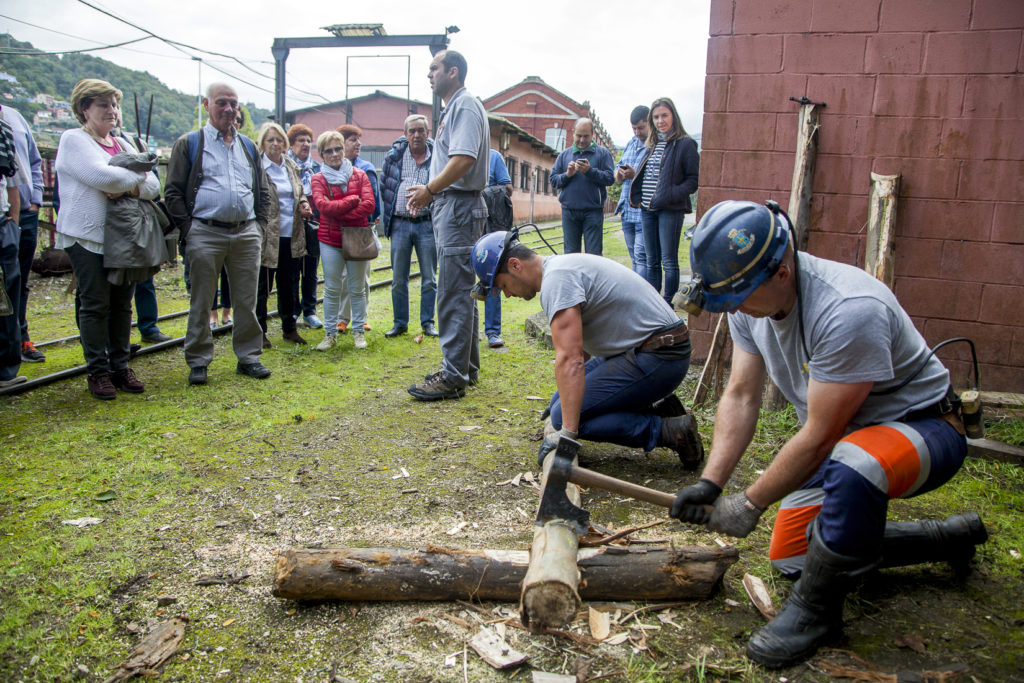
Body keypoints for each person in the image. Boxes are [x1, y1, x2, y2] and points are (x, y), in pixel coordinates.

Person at [670, 200, 986, 668]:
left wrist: (750, 503)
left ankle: (816, 614)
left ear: (781, 272)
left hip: (926, 430)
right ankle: (945, 538)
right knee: (793, 556)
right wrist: (712, 484)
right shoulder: (744, 298)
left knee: (856, 463)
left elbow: (820, 436)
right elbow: (739, 395)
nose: (732, 308)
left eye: (737, 297)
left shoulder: (847, 309)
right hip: (847, 445)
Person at [470, 229, 703, 465]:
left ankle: (670, 430)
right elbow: (581, 350)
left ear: (515, 265)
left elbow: (572, 359)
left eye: (502, 285)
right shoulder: (560, 269)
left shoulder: (557, 281)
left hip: (662, 356)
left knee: (564, 417)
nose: (507, 295)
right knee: (558, 403)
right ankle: (660, 409)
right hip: (648, 349)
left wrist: (568, 434)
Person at [54, 78, 159, 399]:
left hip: (122, 238)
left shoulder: (123, 144)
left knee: (121, 305)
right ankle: (97, 371)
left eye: (114, 104)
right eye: (103, 105)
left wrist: (127, 185)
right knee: (95, 303)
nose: (112, 111)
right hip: (86, 236)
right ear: (84, 109)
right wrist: (132, 180)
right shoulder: (74, 140)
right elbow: (101, 176)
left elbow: (154, 184)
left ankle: (120, 365)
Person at [165, 82, 273, 386]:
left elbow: (262, 191)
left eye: (233, 104)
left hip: (246, 232)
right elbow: (172, 191)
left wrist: (259, 227)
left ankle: (249, 357)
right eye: (221, 102)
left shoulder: (248, 146)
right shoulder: (190, 143)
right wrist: (190, 228)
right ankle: (198, 360)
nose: (228, 109)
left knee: (246, 299)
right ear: (206, 104)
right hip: (205, 231)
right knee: (201, 300)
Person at [406, 49, 490, 401]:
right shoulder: (455, 107)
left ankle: (452, 376)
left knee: (453, 292)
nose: (429, 73)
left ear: (453, 72)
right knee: (461, 291)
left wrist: (429, 189)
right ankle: (465, 368)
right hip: (454, 206)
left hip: (458, 206)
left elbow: (464, 158)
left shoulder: (465, 104)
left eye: (434, 67)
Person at [628, 97, 699, 304]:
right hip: (647, 209)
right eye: (656, 117)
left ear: (673, 117)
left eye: (664, 115)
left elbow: (693, 181)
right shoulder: (652, 144)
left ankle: (667, 302)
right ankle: (653, 302)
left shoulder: (685, 144)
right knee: (651, 261)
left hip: (670, 209)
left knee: (669, 261)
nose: (660, 121)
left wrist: (671, 195)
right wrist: (640, 198)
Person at [310, 130, 375, 351]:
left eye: (338, 148)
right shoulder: (317, 179)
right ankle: (330, 334)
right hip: (330, 240)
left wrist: (339, 210)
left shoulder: (360, 175)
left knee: (357, 288)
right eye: (329, 151)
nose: (335, 154)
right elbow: (322, 207)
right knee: (332, 289)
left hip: (357, 238)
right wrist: (351, 201)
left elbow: (369, 205)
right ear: (321, 154)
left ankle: (358, 331)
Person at [254, 122, 312, 346]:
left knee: (289, 284)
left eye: (279, 140)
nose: (276, 144)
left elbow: (300, 193)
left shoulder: (290, 165)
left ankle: (290, 328)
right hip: (267, 236)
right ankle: (259, 332)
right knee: (262, 286)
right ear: (262, 144)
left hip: (292, 234)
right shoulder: (257, 167)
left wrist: (304, 204)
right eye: (270, 140)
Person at [381, 114, 438, 340]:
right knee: (398, 279)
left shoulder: (437, 158)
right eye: (412, 131)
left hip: (427, 224)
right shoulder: (394, 157)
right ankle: (400, 323)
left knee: (429, 278)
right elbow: (385, 185)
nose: (416, 135)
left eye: (421, 131)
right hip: (400, 224)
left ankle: (428, 323)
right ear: (405, 134)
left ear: (427, 133)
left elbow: (442, 188)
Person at [0, 105, 45, 363]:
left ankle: (22, 338)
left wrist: (35, 200)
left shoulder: (15, 116)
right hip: (3, 212)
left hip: (25, 209)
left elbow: (34, 160)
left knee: (19, 281)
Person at [334, 123, 381, 334]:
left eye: (358, 139)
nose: (358, 143)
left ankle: (361, 318)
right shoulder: (331, 169)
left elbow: (374, 202)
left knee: (362, 277)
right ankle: (342, 318)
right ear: (341, 144)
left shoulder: (366, 168)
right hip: (338, 229)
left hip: (361, 229)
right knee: (342, 276)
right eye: (352, 139)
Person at [549, 118, 615, 256]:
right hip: (569, 211)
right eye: (579, 135)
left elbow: (610, 179)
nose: (582, 140)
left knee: (594, 255)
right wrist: (567, 174)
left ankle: (592, 278)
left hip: (593, 211)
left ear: (592, 135)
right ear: (573, 133)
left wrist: (590, 171)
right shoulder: (564, 155)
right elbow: (553, 181)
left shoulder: (603, 154)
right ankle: (573, 278)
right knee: (571, 255)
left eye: (586, 136)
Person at [287, 123, 323, 330]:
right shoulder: (285, 166)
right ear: (291, 144)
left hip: (313, 224)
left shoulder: (317, 168)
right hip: (291, 224)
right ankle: (293, 310)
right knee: (292, 268)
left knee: (310, 268)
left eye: (308, 140)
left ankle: (310, 310)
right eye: (301, 140)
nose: (306, 144)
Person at [0, 151, 27, 387]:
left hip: (3, 224)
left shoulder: (3, 135)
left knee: (8, 298)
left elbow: (12, 183)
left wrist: (13, 225)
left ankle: (7, 370)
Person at [613, 105, 650, 280]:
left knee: (642, 257)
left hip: (644, 210)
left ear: (650, 123)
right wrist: (619, 174)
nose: (637, 132)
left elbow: (658, 177)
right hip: (626, 210)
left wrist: (636, 174)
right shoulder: (630, 143)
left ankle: (642, 295)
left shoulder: (655, 146)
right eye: (634, 128)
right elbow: (616, 174)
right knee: (634, 257)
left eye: (641, 128)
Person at [481, 149, 513, 349]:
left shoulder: (494, 157)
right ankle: (461, 328)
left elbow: (507, 188)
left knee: (492, 277)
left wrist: (483, 193)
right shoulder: (452, 155)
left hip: (490, 225)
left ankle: (493, 331)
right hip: (461, 223)